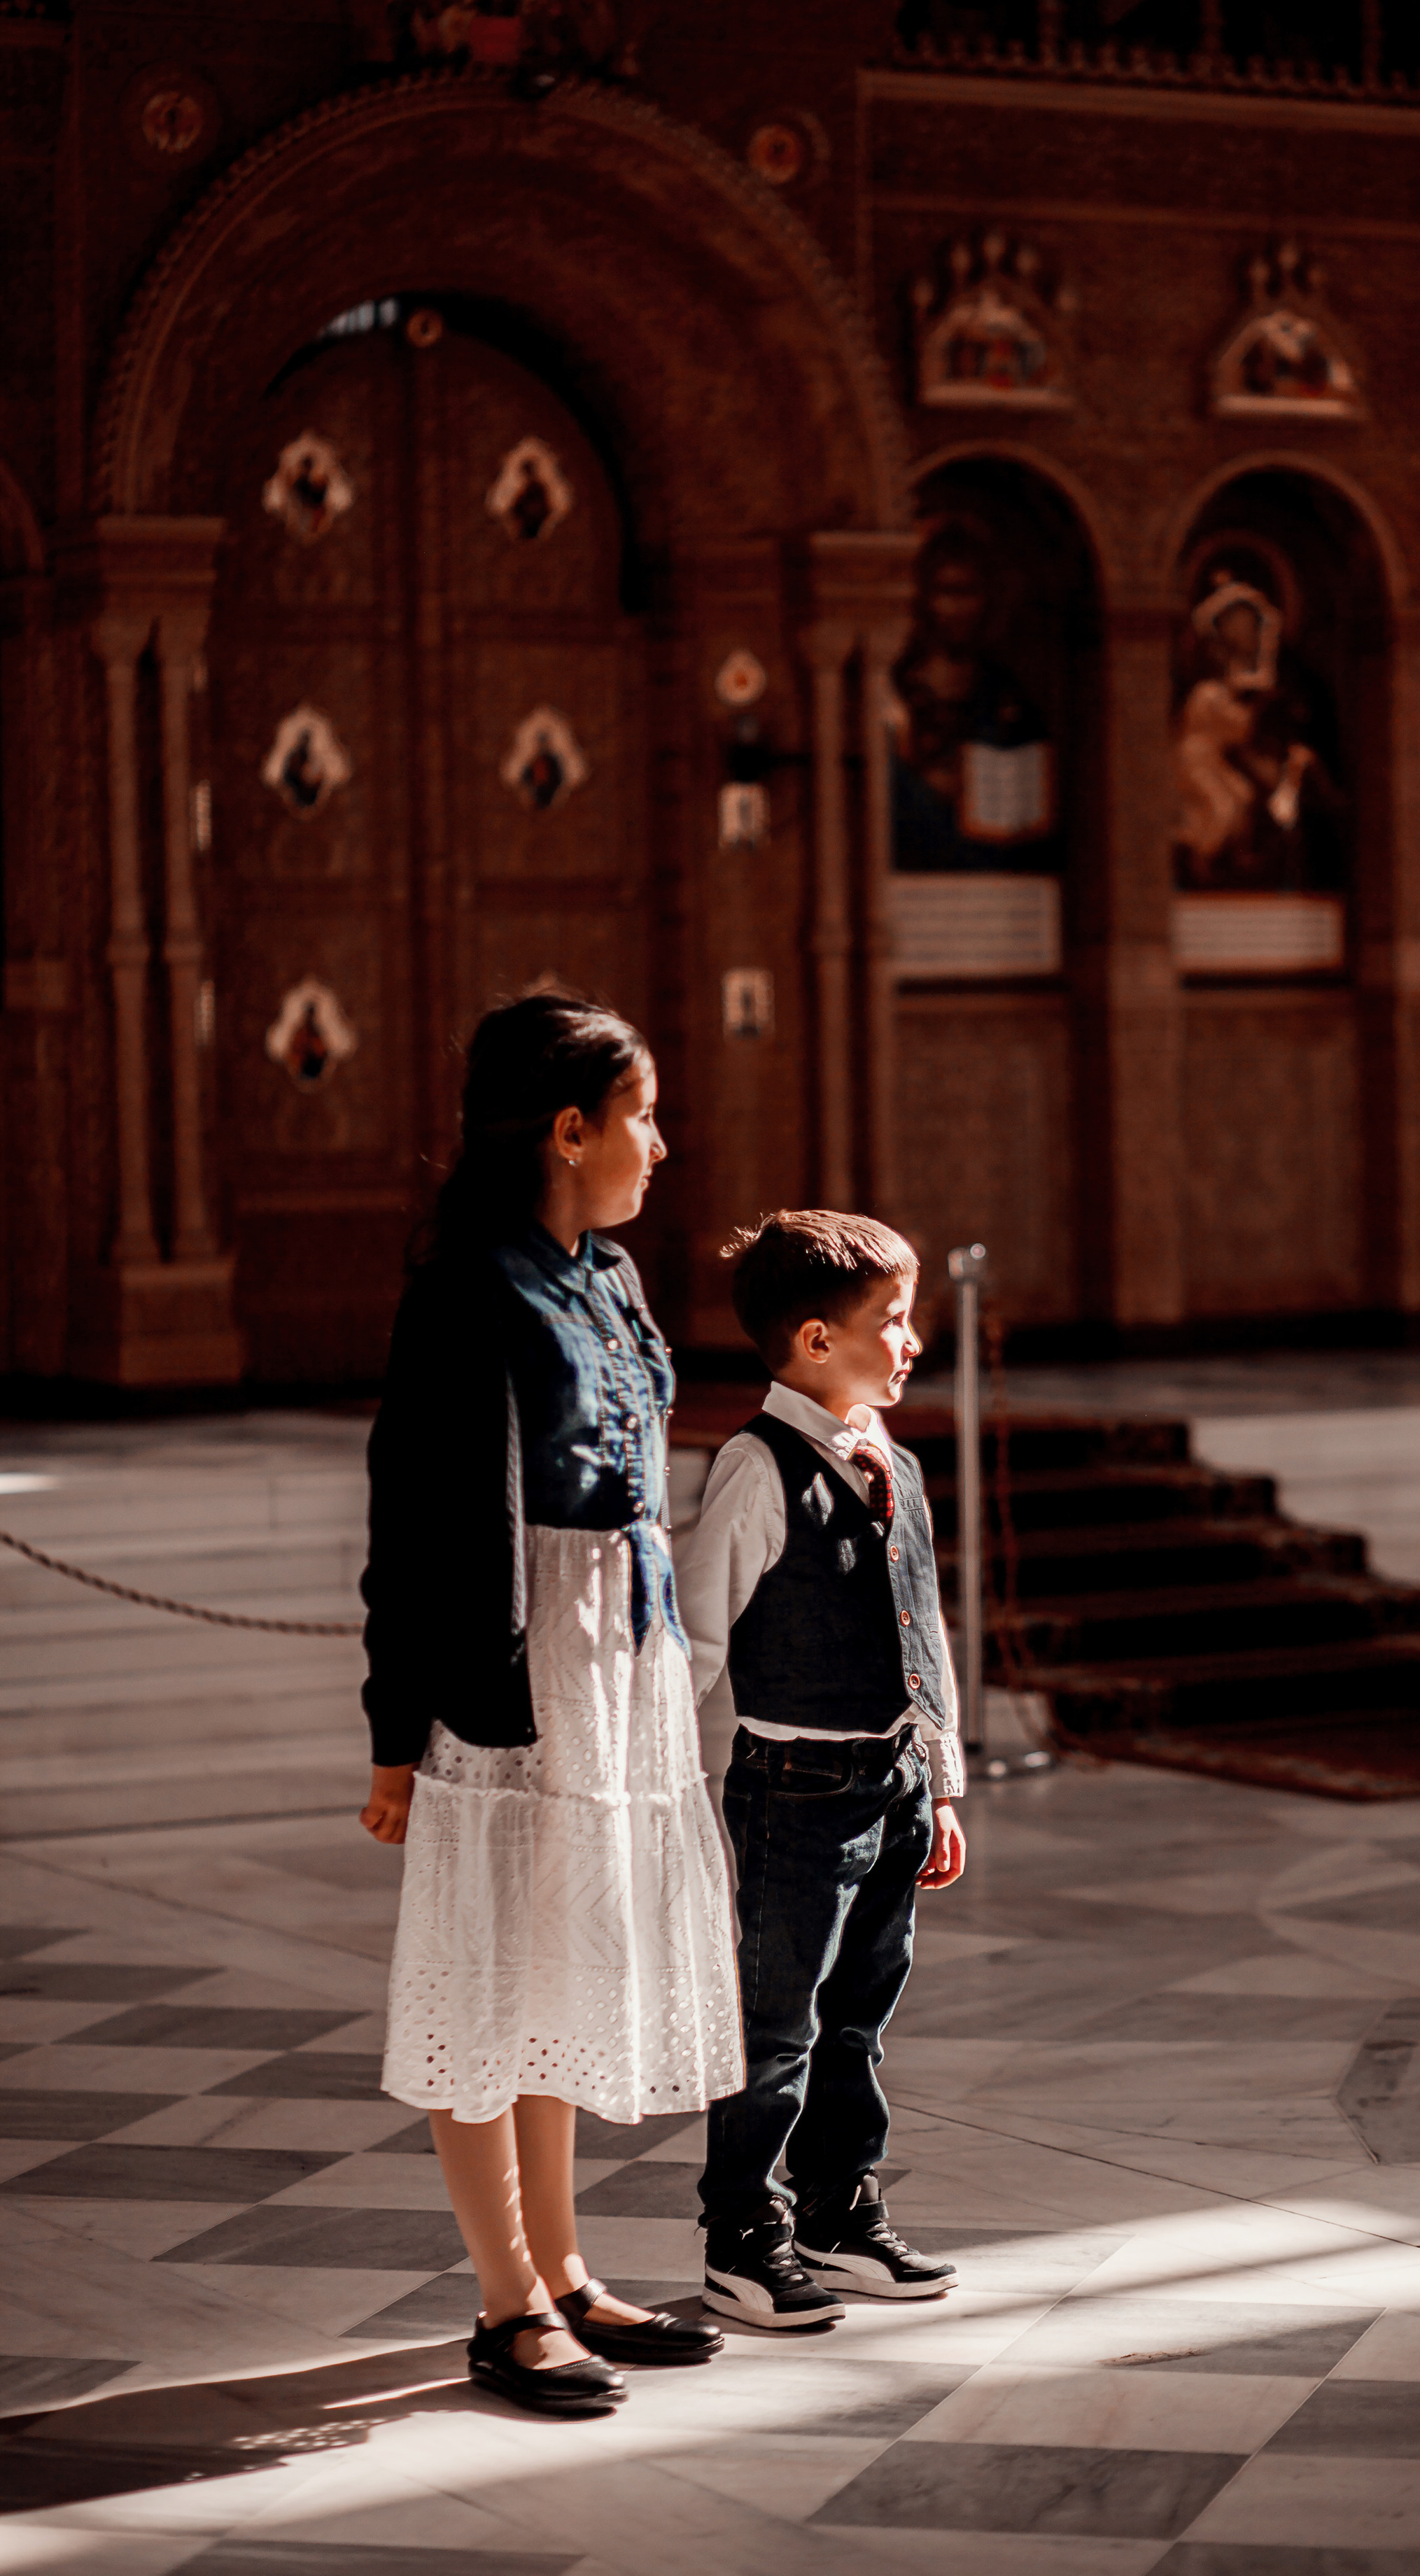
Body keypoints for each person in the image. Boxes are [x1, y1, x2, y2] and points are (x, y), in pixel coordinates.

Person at [358, 991, 742, 2414]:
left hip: (617, 1663)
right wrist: (400, 1731)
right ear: (567, 1130)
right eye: (640, 1115)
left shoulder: (613, 1276)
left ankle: (568, 2272)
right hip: (510, 1673)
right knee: (490, 1980)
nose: (661, 1142)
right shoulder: (470, 1289)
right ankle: (503, 2299)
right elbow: (412, 1522)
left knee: (563, 1971)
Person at [678, 1209, 967, 2329]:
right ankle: (743, 2236)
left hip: (891, 1782)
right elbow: (702, 1638)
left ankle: (843, 2211)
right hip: (792, 1796)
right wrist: (671, 1784)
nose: (910, 1342)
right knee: (775, 2027)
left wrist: (939, 1780)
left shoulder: (895, 1461)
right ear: (811, 1341)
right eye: (890, 1323)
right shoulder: (756, 1468)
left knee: (858, 2020)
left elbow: (923, 1628)